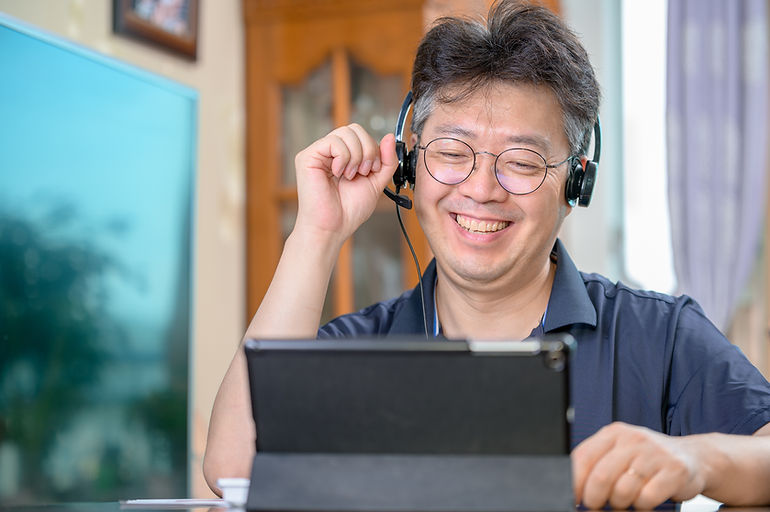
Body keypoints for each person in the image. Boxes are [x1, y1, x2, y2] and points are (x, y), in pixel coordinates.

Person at [203, 1, 770, 508]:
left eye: (521, 163)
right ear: (409, 165)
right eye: (452, 152)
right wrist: (316, 234)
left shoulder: (658, 334)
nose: (480, 188)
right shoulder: (357, 347)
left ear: (576, 186)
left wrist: (698, 460)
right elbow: (232, 469)